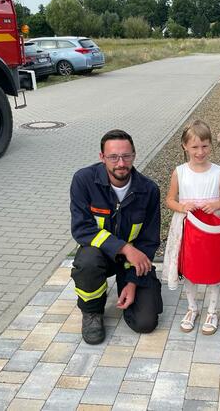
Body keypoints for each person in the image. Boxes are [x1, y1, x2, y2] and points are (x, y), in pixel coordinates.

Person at [70, 129, 163, 344]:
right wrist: (125, 248)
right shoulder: (84, 181)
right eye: (113, 157)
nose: (120, 163)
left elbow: (149, 241)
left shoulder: (148, 190)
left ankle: (131, 288)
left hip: (132, 262)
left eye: (126, 156)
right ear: (102, 157)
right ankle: (92, 311)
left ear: (134, 155)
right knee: (87, 261)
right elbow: (82, 228)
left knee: (145, 323)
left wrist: (132, 282)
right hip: (100, 255)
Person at [163, 120, 220, 335]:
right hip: (187, 227)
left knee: (212, 266)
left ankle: (212, 310)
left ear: (211, 145)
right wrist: (183, 207)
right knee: (190, 267)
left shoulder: (218, 172)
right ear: (185, 146)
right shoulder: (180, 172)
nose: (200, 152)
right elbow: (169, 200)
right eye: (195, 147)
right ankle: (192, 308)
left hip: (212, 227)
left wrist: (216, 204)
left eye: (205, 146)